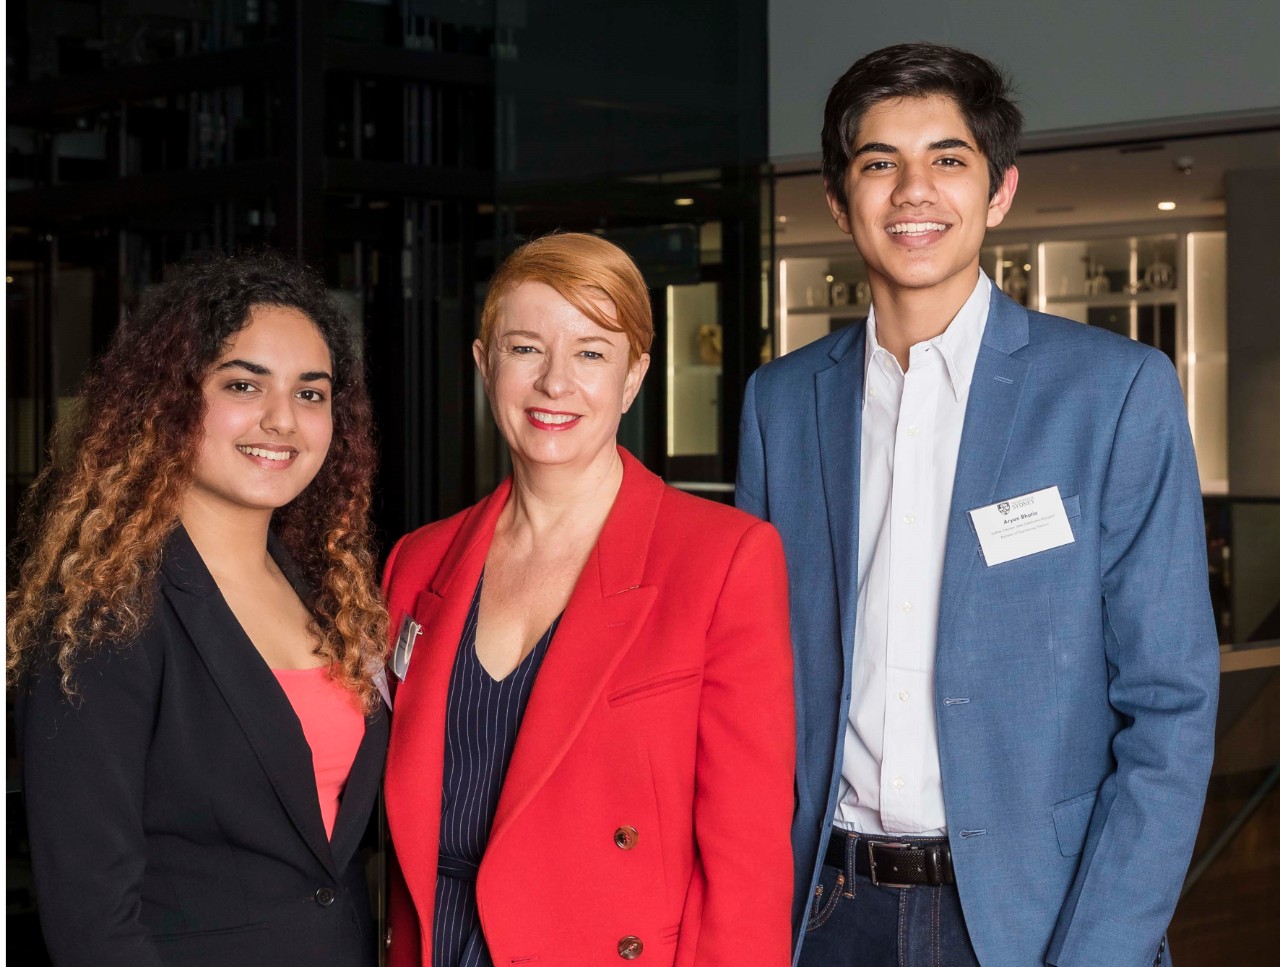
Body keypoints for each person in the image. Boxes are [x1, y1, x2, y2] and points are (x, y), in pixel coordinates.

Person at [736, 42, 1218, 967]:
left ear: (999, 193)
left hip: (1038, 922)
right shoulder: (780, 405)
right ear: (841, 201)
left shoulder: (1113, 393)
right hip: (827, 914)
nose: (914, 191)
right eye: (880, 163)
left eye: (948, 160)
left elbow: (1172, 706)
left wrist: (1100, 952)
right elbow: (760, 692)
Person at [382, 232, 795, 967]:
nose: (555, 382)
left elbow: (747, 861)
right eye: (525, 348)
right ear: (484, 366)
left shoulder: (723, 558)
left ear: (634, 376)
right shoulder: (418, 562)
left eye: (591, 352)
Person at [9, 253, 391, 967]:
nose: (282, 420)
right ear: (168, 400)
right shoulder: (108, 611)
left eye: (312, 394)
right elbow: (93, 921)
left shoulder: (324, 591)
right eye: (243, 385)